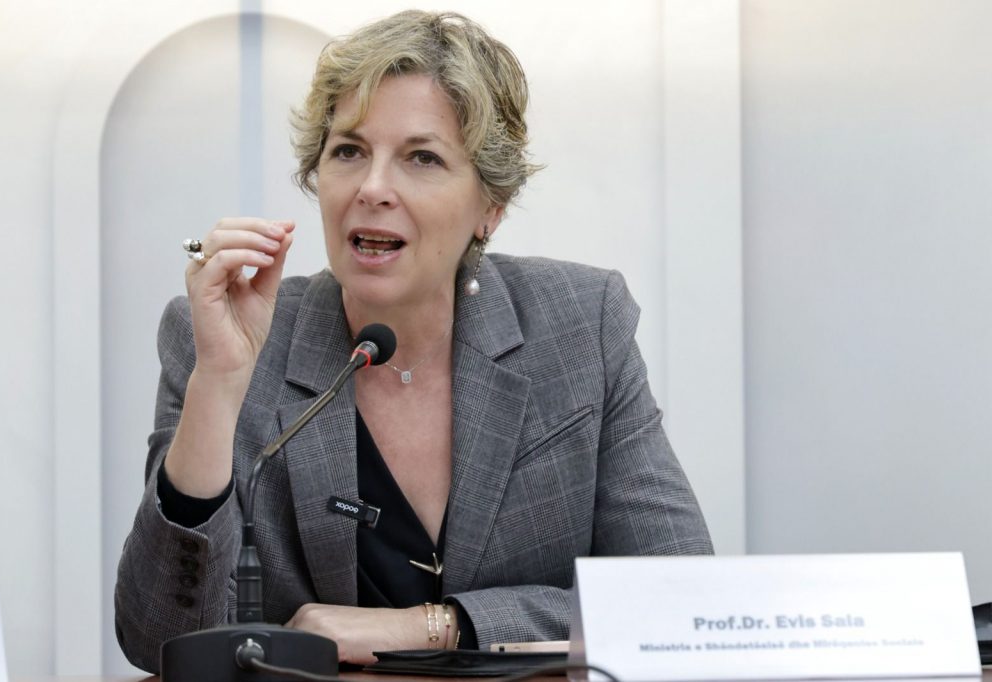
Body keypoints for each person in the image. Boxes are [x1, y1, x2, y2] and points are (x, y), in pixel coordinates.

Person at [114, 9, 712, 673]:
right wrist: (220, 386)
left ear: (490, 207)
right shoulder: (227, 338)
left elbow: (679, 598)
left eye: (422, 158)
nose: (373, 188)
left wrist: (436, 626)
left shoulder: (578, 326)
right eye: (348, 151)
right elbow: (159, 638)